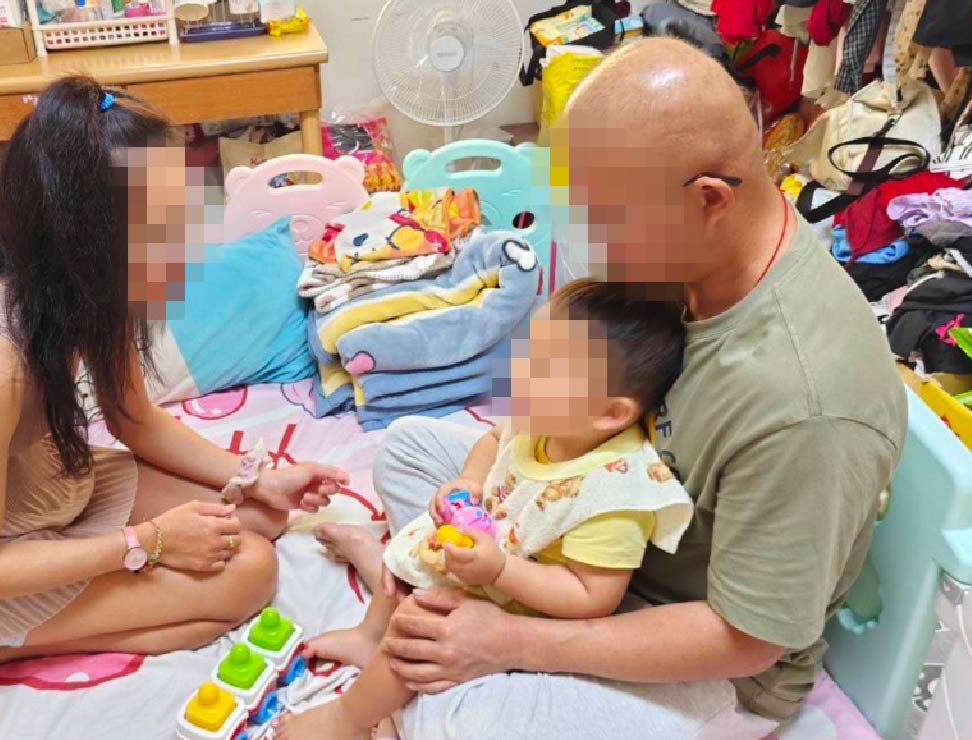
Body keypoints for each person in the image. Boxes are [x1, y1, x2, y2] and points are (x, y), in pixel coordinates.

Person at [313, 38, 906, 737]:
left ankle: (424, 616)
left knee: (459, 716)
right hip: (576, 529)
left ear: (708, 200)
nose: (594, 245)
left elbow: (749, 640)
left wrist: (511, 639)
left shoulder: (805, 403)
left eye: (609, 221)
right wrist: (479, 501)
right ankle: (412, 583)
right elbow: (549, 412)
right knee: (408, 447)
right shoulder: (694, 256)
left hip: (695, 647)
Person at [0, 77, 347, 662]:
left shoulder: (86, 286)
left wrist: (255, 478)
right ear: (93, 237)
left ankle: (50, 604)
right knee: (250, 571)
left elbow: (133, 417)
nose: (190, 236)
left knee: (261, 515)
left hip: (29, 481)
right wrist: (147, 543)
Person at [284, 279, 696, 738]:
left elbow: (591, 597)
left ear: (610, 414)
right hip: (491, 541)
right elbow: (493, 439)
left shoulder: (613, 494)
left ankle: (346, 719)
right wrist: (470, 482)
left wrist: (500, 571)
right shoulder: (549, 416)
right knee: (410, 544)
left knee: (416, 632)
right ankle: (368, 636)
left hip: (521, 601)